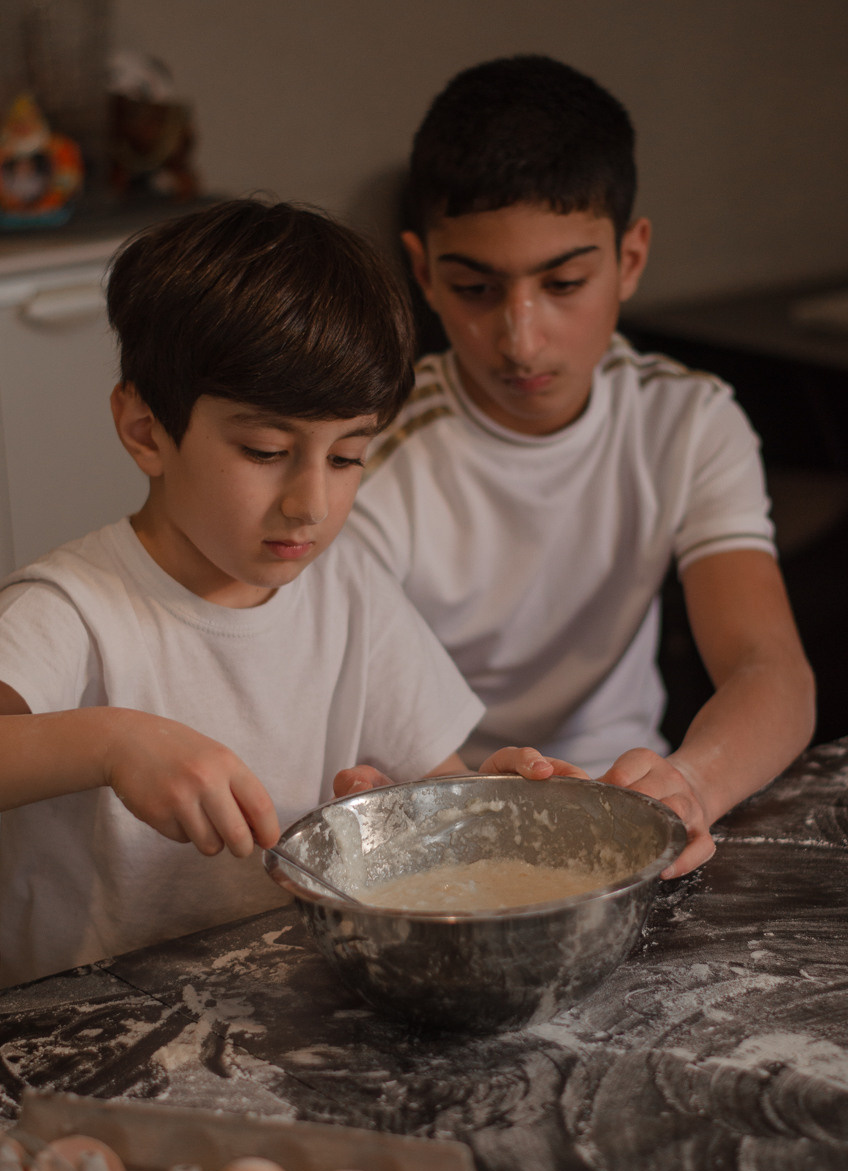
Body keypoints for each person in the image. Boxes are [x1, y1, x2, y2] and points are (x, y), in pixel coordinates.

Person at [0, 198, 576, 989]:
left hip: (287, 1006)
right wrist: (112, 741)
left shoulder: (349, 592)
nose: (310, 502)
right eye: (266, 450)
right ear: (144, 431)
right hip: (89, 1037)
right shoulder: (73, 610)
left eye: (345, 457)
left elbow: (437, 786)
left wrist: (491, 803)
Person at [344, 55, 816, 879]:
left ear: (630, 259)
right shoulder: (366, 455)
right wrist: (457, 801)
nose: (522, 339)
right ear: (423, 273)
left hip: (633, 799)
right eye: (476, 289)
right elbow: (353, 716)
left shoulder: (686, 420)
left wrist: (692, 787)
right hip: (442, 814)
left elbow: (769, 669)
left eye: (564, 282)